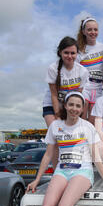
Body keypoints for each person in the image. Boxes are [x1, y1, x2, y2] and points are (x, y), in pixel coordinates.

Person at [42, 36, 89, 167]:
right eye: (66, 53)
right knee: (57, 138)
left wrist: (77, 117)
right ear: (60, 53)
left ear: (77, 54)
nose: (69, 56)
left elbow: (78, 97)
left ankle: (72, 167)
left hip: (70, 107)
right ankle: (57, 170)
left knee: (73, 138)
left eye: (73, 53)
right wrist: (57, 115)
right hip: (52, 106)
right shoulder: (53, 68)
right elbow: (53, 94)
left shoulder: (82, 71)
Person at [76, 17, 103, 123]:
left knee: (94, 123)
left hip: (98, 89)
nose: (93, 32)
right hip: (84, 88)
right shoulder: (78, 50)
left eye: (95, 29)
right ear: (83, 31)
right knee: (81, 120)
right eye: (89, 30)